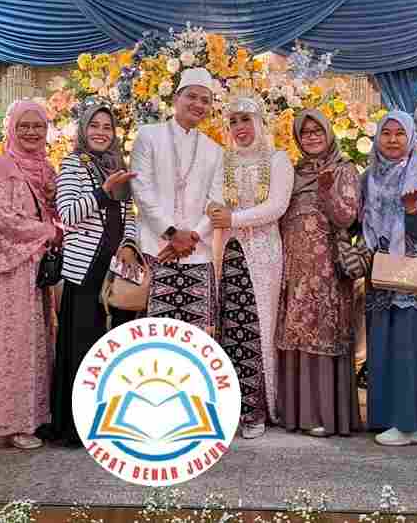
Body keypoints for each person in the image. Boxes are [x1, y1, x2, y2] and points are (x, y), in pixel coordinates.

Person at [41, 103, 141, 447]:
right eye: (94, 126)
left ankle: (109, 422)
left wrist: (129, 244)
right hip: (84, 270)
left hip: (116, 270)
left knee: (112, 349)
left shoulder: (117, 165)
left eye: (107, 127)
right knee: (83, 348)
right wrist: (102, 192)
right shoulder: (73, 163)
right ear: (83, 130)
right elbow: (67, 215)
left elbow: (129, 216)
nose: (100, 132)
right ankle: (76, 426)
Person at [206, 97, 294, 439]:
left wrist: (233, 218)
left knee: (259, 325)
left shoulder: (277, 159)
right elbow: (213, 200)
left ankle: (258, 409)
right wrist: (216, 211)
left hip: (264, 254)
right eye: (233, 121)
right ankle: (232, 407)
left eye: (245, 119)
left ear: (259, 122)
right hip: (228, 251)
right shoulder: (223, 160)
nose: (239, 128)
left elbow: (276, 207)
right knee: (230, 324)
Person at [0, 100, 61, 450]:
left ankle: (35, 417)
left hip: (39, 268)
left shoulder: (47, 169)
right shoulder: (0, 165)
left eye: (38, 126)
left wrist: (53, 207)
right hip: (15, 269)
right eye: (24, 125)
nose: (31, 132)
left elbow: (56, 215)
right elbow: (1, 219)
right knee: (16, 343)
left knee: (38, 343)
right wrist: (46, 231)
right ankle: (13, 422)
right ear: (11, 128)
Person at [276, 109, 362, 438]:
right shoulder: (294, 172)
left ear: (328, 133)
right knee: (296, 334)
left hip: (327, 270)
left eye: (317, 131)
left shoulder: (344, 169)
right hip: (294, 267)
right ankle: (297, 414)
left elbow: (346, 218)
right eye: (305, 132)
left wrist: (327, 191)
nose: (312, 137)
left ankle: (325, 415)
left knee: (324, 333)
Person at [362, 110, 417, 447]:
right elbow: (357, 221)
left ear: (410, 137)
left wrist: (412, 210)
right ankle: (387, 417)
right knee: (384, 344)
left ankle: (412, 424)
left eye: (399, 133)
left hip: (414, 274)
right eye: (387, 133)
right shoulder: (368, 176)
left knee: (411, 346)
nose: (393, 139)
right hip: (381, 271)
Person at [130, 67, 223, 332]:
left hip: (198, 253)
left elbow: (216, 202)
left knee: (196, 340)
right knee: (153, 337)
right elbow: (141, 189)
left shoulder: (215, 150)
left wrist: (192, 236)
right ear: (176, 99)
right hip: (155, 250)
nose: (198, 104)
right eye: (191, 96)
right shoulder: (148, 135)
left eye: (205, 100)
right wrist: (171, 233)